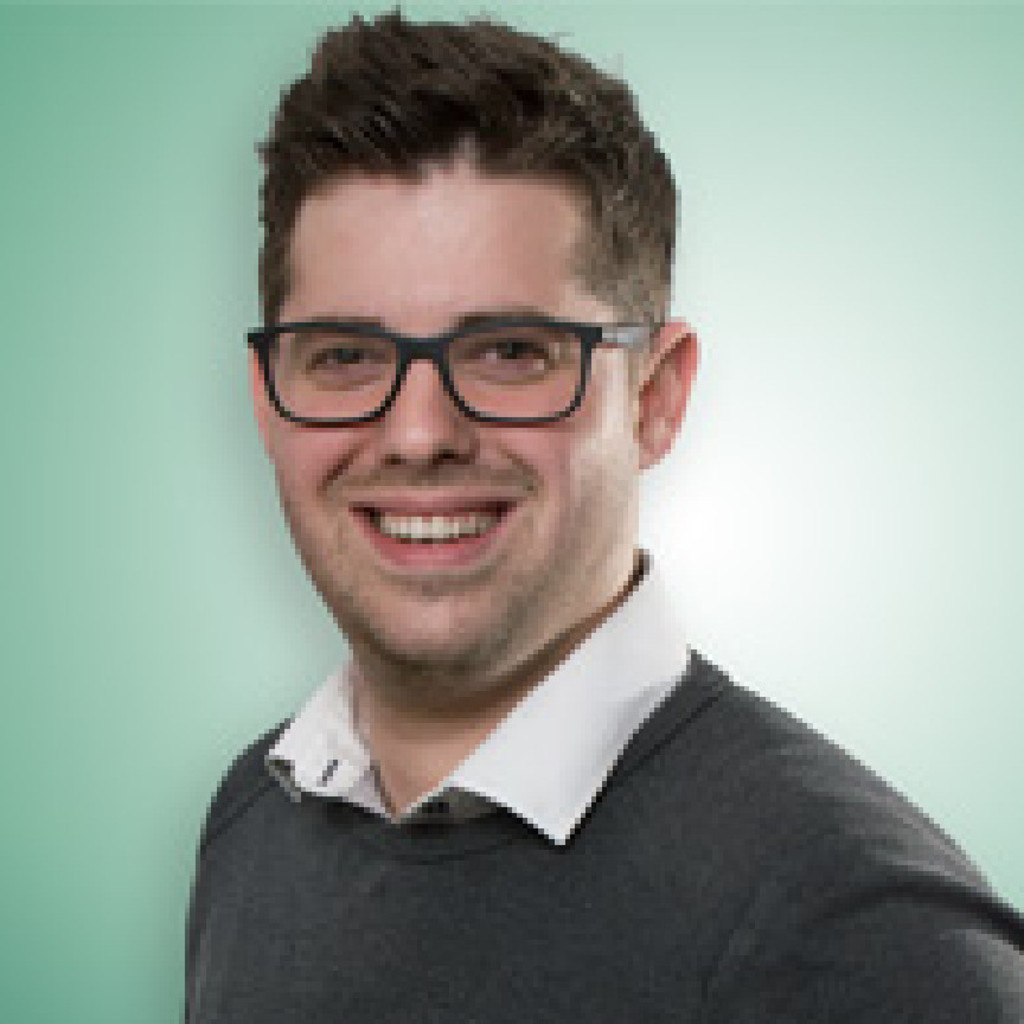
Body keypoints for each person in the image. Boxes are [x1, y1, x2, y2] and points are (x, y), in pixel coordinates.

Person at [184, 10, 1024, 1022]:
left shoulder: (862, 936)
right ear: (268, 400)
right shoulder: (254, 820)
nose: (417, 434)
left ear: (654, 399)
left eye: (510, 353)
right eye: (346, 356)